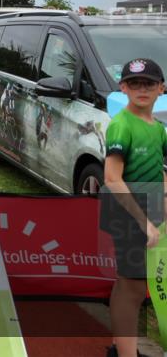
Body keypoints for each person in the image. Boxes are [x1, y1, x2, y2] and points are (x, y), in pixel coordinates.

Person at [102, 58, 167, 357]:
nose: (142, 89)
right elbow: (112, 178)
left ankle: (120, 348)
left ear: (161, 88)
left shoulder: (158, 128)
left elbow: (160, 169)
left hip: (148, 210)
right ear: (123, 88)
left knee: (128, 285)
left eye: (149, 84)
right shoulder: (121, 125)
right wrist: (144, 223)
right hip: (129, 213)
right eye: (135, 83)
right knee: (134, 289)